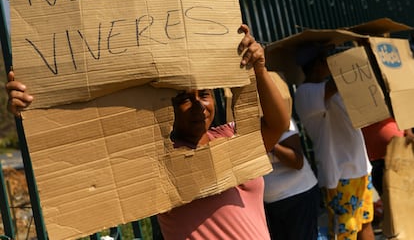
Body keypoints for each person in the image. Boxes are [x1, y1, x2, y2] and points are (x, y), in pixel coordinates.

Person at [6, 24, 290, 240]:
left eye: (204, 95)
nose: (198, 106)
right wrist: (33, 111)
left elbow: (277, 124)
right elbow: (79, 157)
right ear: (167, 107)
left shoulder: (231, 136)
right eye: (184, 99)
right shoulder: (155, 162)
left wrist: (260, 70)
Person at [294, 42, 375, 240]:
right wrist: (358, 54)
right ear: (318, 63)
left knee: (365, 222)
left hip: (361, 169)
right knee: (345, 233)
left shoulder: (330, 87)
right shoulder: (305, 92)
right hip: (341, 175)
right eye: (328, 58)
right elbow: (338, 82)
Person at [263, 118, 319, 240]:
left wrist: (268, 143)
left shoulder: (280, 118)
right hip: (270, 204)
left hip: (298, 197)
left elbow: (297, 162)